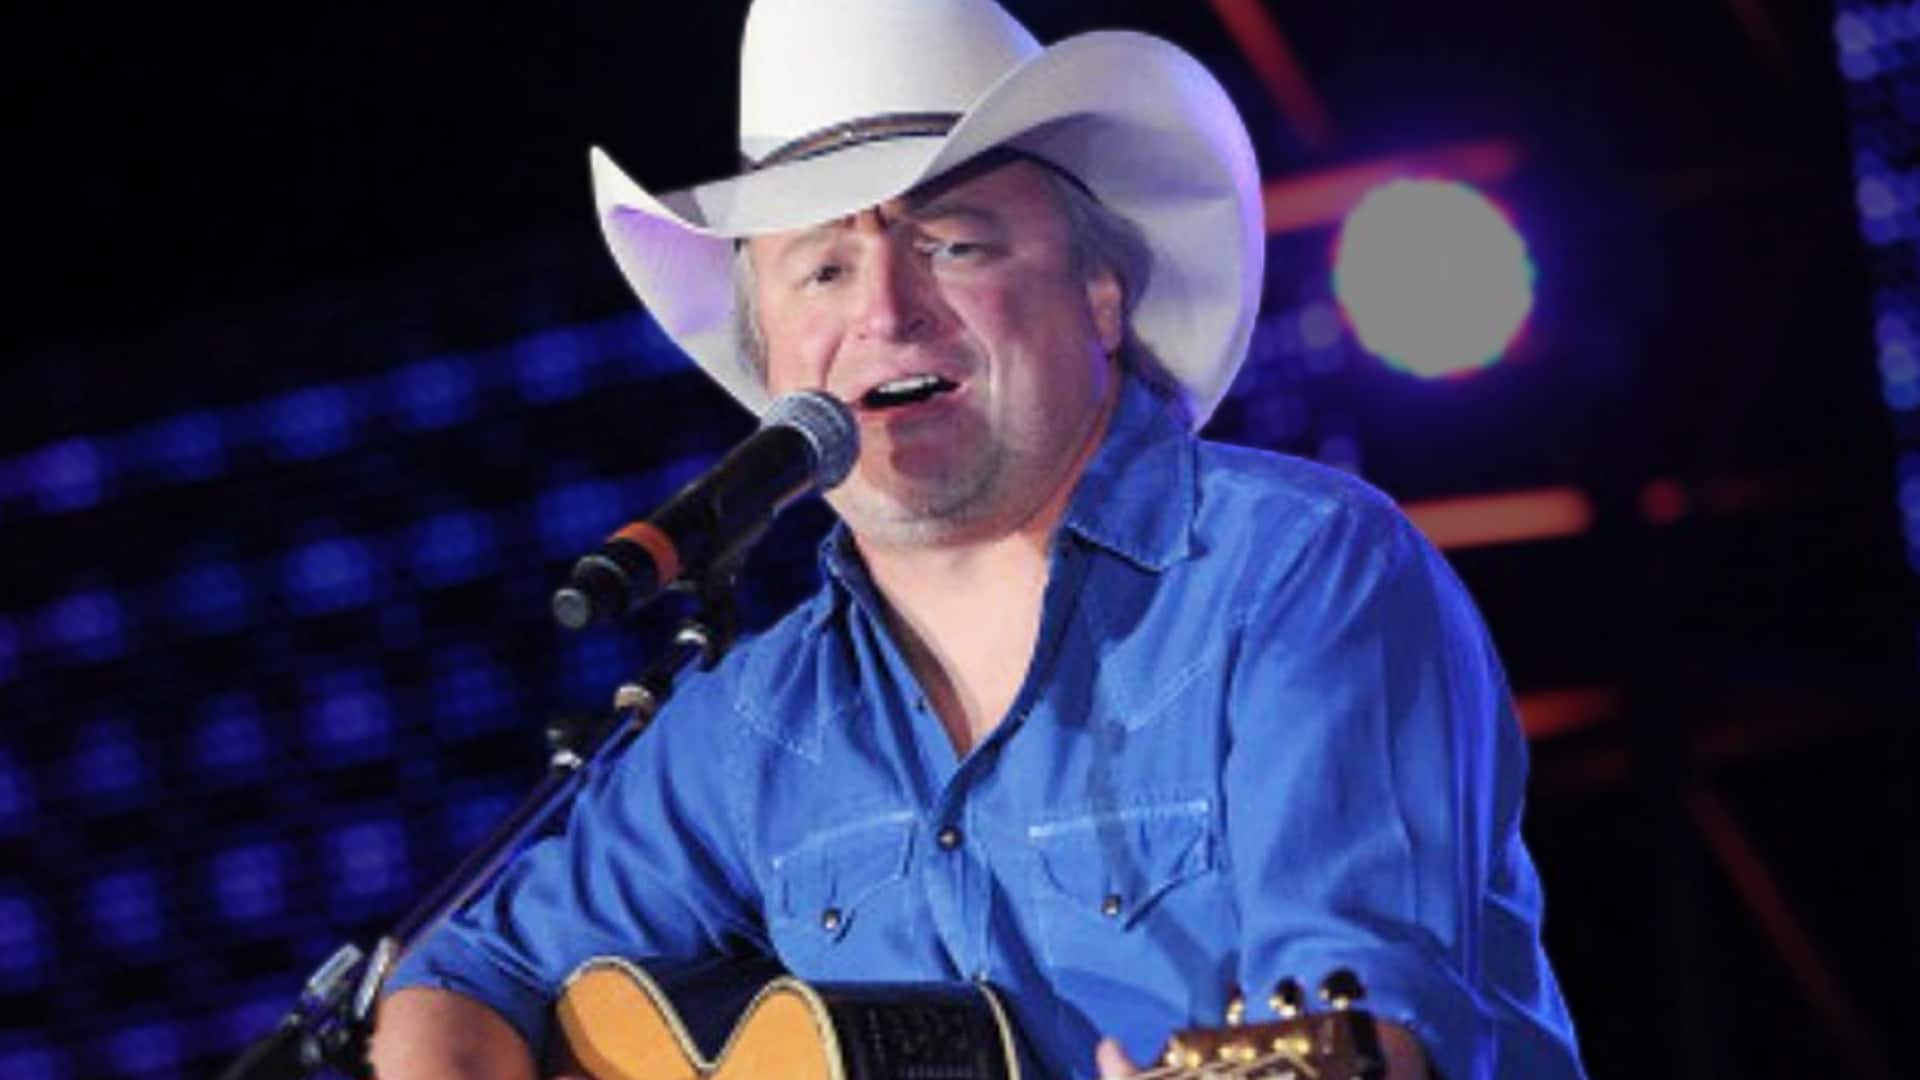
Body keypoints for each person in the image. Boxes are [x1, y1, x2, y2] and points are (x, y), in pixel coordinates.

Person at [370, 1, 1585, 1077]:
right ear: (772, 363)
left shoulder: (1296, 573)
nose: (886, 310)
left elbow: (1369, 1022)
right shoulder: (749, 723)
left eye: (953, 243)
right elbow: (457, 981)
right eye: (823, 270)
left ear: (1099, 297)